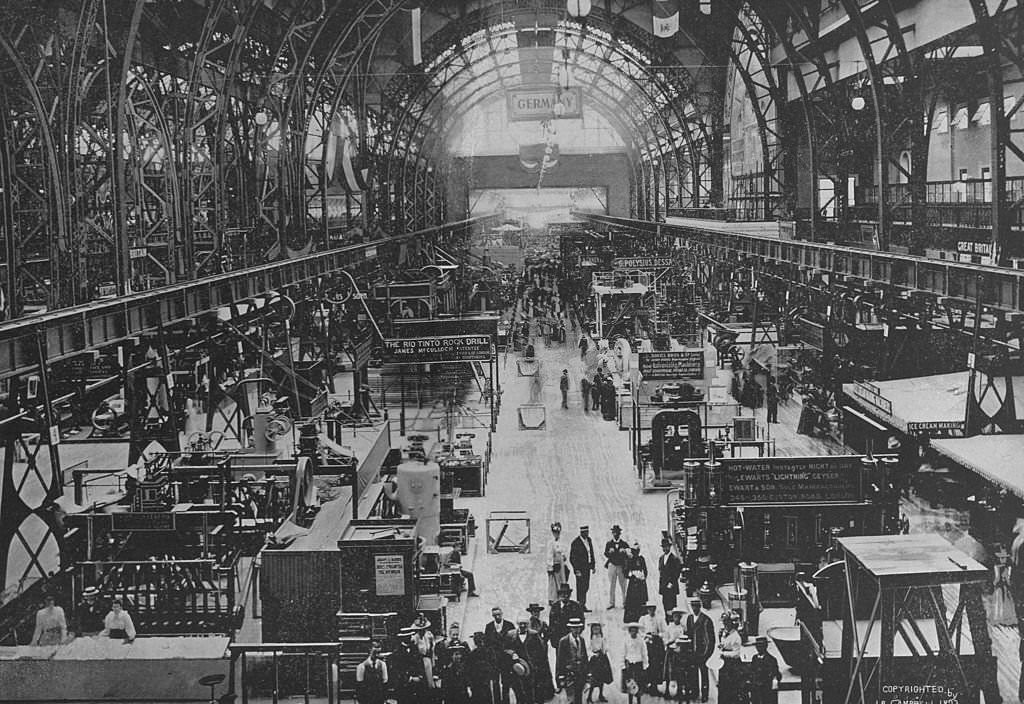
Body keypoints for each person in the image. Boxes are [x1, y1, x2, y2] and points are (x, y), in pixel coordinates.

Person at [686, 596, 715, 702]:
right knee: (693, 673)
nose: (694, 608)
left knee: (703, 673)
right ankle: (694, 692)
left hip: (702, 652)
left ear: (700, 606)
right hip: (692, 652)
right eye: (693, 606)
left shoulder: (706, 620)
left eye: (696, 606)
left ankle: (705, 694)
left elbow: (711, 639)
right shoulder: (689, 618)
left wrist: (707, 654)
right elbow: (688, 634)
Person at [485, 607, 516, 704]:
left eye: (499, 614)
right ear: (492, 616)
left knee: (506, 682)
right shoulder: (489, 626)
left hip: (506, 659)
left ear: (502, 614)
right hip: (494, 660)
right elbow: (487, 643)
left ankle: (506, 701)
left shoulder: (509, 625)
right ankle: (497, 701)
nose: (497, 617)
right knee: (495, 682)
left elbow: (514, 642)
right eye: (495, 615)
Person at [524, 606, 556, 702]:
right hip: (530, 650)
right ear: (531, 613)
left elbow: (549, 633)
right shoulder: (527, 624)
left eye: (537, 612)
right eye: (534, 612)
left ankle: (545, 693)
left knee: (543, 671)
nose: (536, 614)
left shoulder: (542, 623)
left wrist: (543, 641)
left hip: (541, 651)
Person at [555, 617, 589, 704]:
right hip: (569, 675)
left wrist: (587, 674)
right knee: (570, 699)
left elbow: (585, 657)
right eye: (574, 628)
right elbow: (560, 660)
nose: (576, 630)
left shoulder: (581, 640)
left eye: (578, 628)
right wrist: (560, 676)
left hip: (580, 674)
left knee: (579, 698)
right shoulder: (564, 641)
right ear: (570, 628)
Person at [638, 602, 665, 695]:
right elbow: (639, 632)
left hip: (656, 644)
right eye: (649, 609)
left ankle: (654, 686)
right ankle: (645, 685)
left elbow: (663, 631)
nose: (651, 610)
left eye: (653, 608)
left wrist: (657, 635)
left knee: (656, 665)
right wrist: (646, 636)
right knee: (645, 664)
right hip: (646, 644)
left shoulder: (659, 619)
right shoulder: (643, 619)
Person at [717, 611, 743, 704]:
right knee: (723, 688)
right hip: (724, 664)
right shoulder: (725, 633)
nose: (725, 625)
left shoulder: (736, 637)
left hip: (733, 665)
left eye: (726, 623)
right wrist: (721, 645)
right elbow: (724, 643)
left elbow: (736, 653)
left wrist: (724, 653)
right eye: (724, 623)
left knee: (731, 688)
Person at [748, 635, 781, 704]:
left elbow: (777, 674)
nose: (759, 648)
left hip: (767, 690)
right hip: (756, 690)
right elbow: (751, 671)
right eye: (757, 646)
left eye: (761, 646)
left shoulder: (772, 660)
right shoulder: (754, 658)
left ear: (766, 646)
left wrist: (775, 680)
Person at [549, 583, 585, 647]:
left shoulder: (576, 606)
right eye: (563, 594)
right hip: (559, 641)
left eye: (567, 594)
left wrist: (576, 635)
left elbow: (582, 622)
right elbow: (551, 625)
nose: (565, 596)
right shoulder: (555, 607)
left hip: (572, 640)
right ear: (559, 595)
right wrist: (553, 640)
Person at [570, 525, 596, 612]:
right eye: (585, 532)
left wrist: (593, 565)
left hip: (587, 567)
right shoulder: (575, 543)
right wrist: (576, 569)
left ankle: (583, 603)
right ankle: (580, 605)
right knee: (580, 587)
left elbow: (591, 553)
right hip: (580, 569)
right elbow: (572, 558)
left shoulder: (589, 540)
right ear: (581, 533)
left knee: (586, 586)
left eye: (588, 532)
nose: (587, 534)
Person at [466, 631, 497, 704]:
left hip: (483, 681)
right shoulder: (473, 654)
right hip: (478, 682)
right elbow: (469, 669)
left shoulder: (488, 652)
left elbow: (494, 665)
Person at [622, 622, 649, 704]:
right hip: (629, 664)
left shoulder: (640, 641)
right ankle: (630, 701)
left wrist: (645, 664)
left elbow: (644, 653)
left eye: (635, 631)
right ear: (629, 631)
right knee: (630, 684)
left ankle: (638, 701)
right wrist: (622, 666)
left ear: (637, 631)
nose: (633, 632)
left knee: (639, 684)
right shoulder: (626, 640)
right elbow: (622, 653)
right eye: (631, 631)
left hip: (638, 664)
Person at [586, 622, 613, 703]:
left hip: (602, 659)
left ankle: (601, 694)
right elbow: (588, 649)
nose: (596, 631)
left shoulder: (602, 637)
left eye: (598, 629)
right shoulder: (590, 638)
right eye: (594, 629)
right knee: (593, 680)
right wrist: (593, 654)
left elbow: (606, 647)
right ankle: (589, 697)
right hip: (594, 660)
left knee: (602, 678)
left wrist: (604, 650)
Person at [604, 525, 629, 609]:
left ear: (619, 533)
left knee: (623, 585)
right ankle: (611, 603)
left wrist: (624, 551)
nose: (615, 534)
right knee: (612, 585)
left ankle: (625, 602)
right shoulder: (609, 543)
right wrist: (609, 552)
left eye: (617, 533)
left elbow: (629, 554)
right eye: (614, 532)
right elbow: (605, 553)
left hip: (621, 566)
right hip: (612, 565)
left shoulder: (624, 544)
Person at [623, 543, 649, 623]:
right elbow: (625, 572)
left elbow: (645, 570)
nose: (635, 553)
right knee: (632, 601)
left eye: (636, 551)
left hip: (641, 584)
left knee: (641, 600)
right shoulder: (629, 560)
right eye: (634, 551)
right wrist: (632, 575)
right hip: (633, 584)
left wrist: (642, 576)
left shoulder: (641, 559)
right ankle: (631, 618)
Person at [657, 539, 682, 618]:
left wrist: (671, 583)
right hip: (664, 586)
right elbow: (661, 571)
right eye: (663, 547)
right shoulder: (661, 558)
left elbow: (677, 573)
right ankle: (667, 619)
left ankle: (672, 620)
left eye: (666, 547)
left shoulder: (674, 559)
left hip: (671, 586)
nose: (665, 549)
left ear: (670, 547)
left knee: (671, 604)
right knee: (665, 603)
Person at [412, 614, 437, 690]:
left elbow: (432, 649)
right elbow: (414, 653)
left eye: (424, 629)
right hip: (420, 660)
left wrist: (433, 662)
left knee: (430, 681)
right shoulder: (415, 638)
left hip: (428, 659)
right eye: (420, 630)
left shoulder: (429, 635)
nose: (422, 631)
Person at [547, 522, 570, 603]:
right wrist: (551, 565)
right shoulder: (551, 543)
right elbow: (549, 555)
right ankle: (553, 599)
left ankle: (562, 597)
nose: (556, 534)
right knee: (554, 582)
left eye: (557, 533)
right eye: (555, 532)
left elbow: (564, 552)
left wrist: (564, 557)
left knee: (562, 580)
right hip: (555, 564)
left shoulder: (562, 542)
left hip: (561, 564)